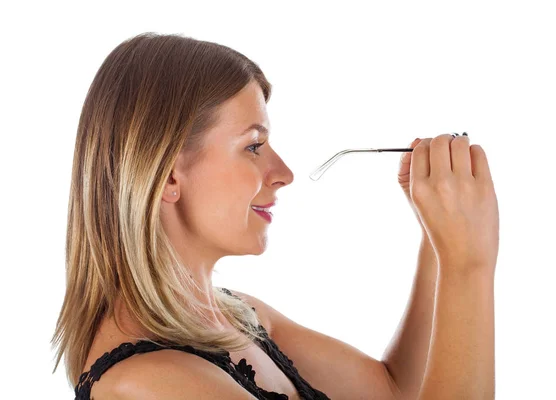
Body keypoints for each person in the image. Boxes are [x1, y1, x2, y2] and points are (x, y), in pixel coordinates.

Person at [51, 32, 499, 400]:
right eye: (252, 146)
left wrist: (436, 240)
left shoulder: (240, 316)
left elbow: (396, 389)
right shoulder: (150, 384)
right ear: (168, 176)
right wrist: (468, 267)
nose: (282, 173)